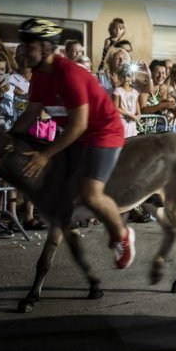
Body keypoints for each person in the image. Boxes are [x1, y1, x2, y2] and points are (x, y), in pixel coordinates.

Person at [13, 18, 135, 269]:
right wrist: (6, 141)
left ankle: (121, 235)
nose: (24, 50)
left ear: (47, 47)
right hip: (75, 133)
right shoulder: (39, 75)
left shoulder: (69, 74)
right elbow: (30, 115)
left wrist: (45, 155)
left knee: (91, 194)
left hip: (103, 133)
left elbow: (79, 125)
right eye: (23, 45)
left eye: (29, 45)